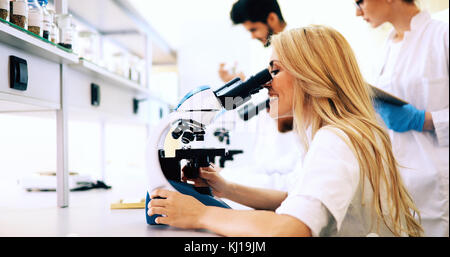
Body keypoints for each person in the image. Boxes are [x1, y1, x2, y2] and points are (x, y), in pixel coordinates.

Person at [148, 26, 424, 237]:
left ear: (310, 75)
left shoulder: (337, 139)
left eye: (275, 71)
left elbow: (291, 229)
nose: (265, 84)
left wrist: (200, 215)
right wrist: (227, 189)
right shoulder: (343, 131)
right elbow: (297, 200)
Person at [355, 0, 449, 236]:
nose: (357, 12)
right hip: (400, 185)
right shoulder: (386, 48)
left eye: (360, 1)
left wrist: (422, 120)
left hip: (440, 185)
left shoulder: (443, 35)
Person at [216, 0, 301, 192]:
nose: (253, 36)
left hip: (286, 158)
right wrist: (235, 86)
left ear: (271, 18)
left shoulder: (296, 49)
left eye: (254, 29)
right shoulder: (270, 52)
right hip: (272, 162)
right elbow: (253, 106)